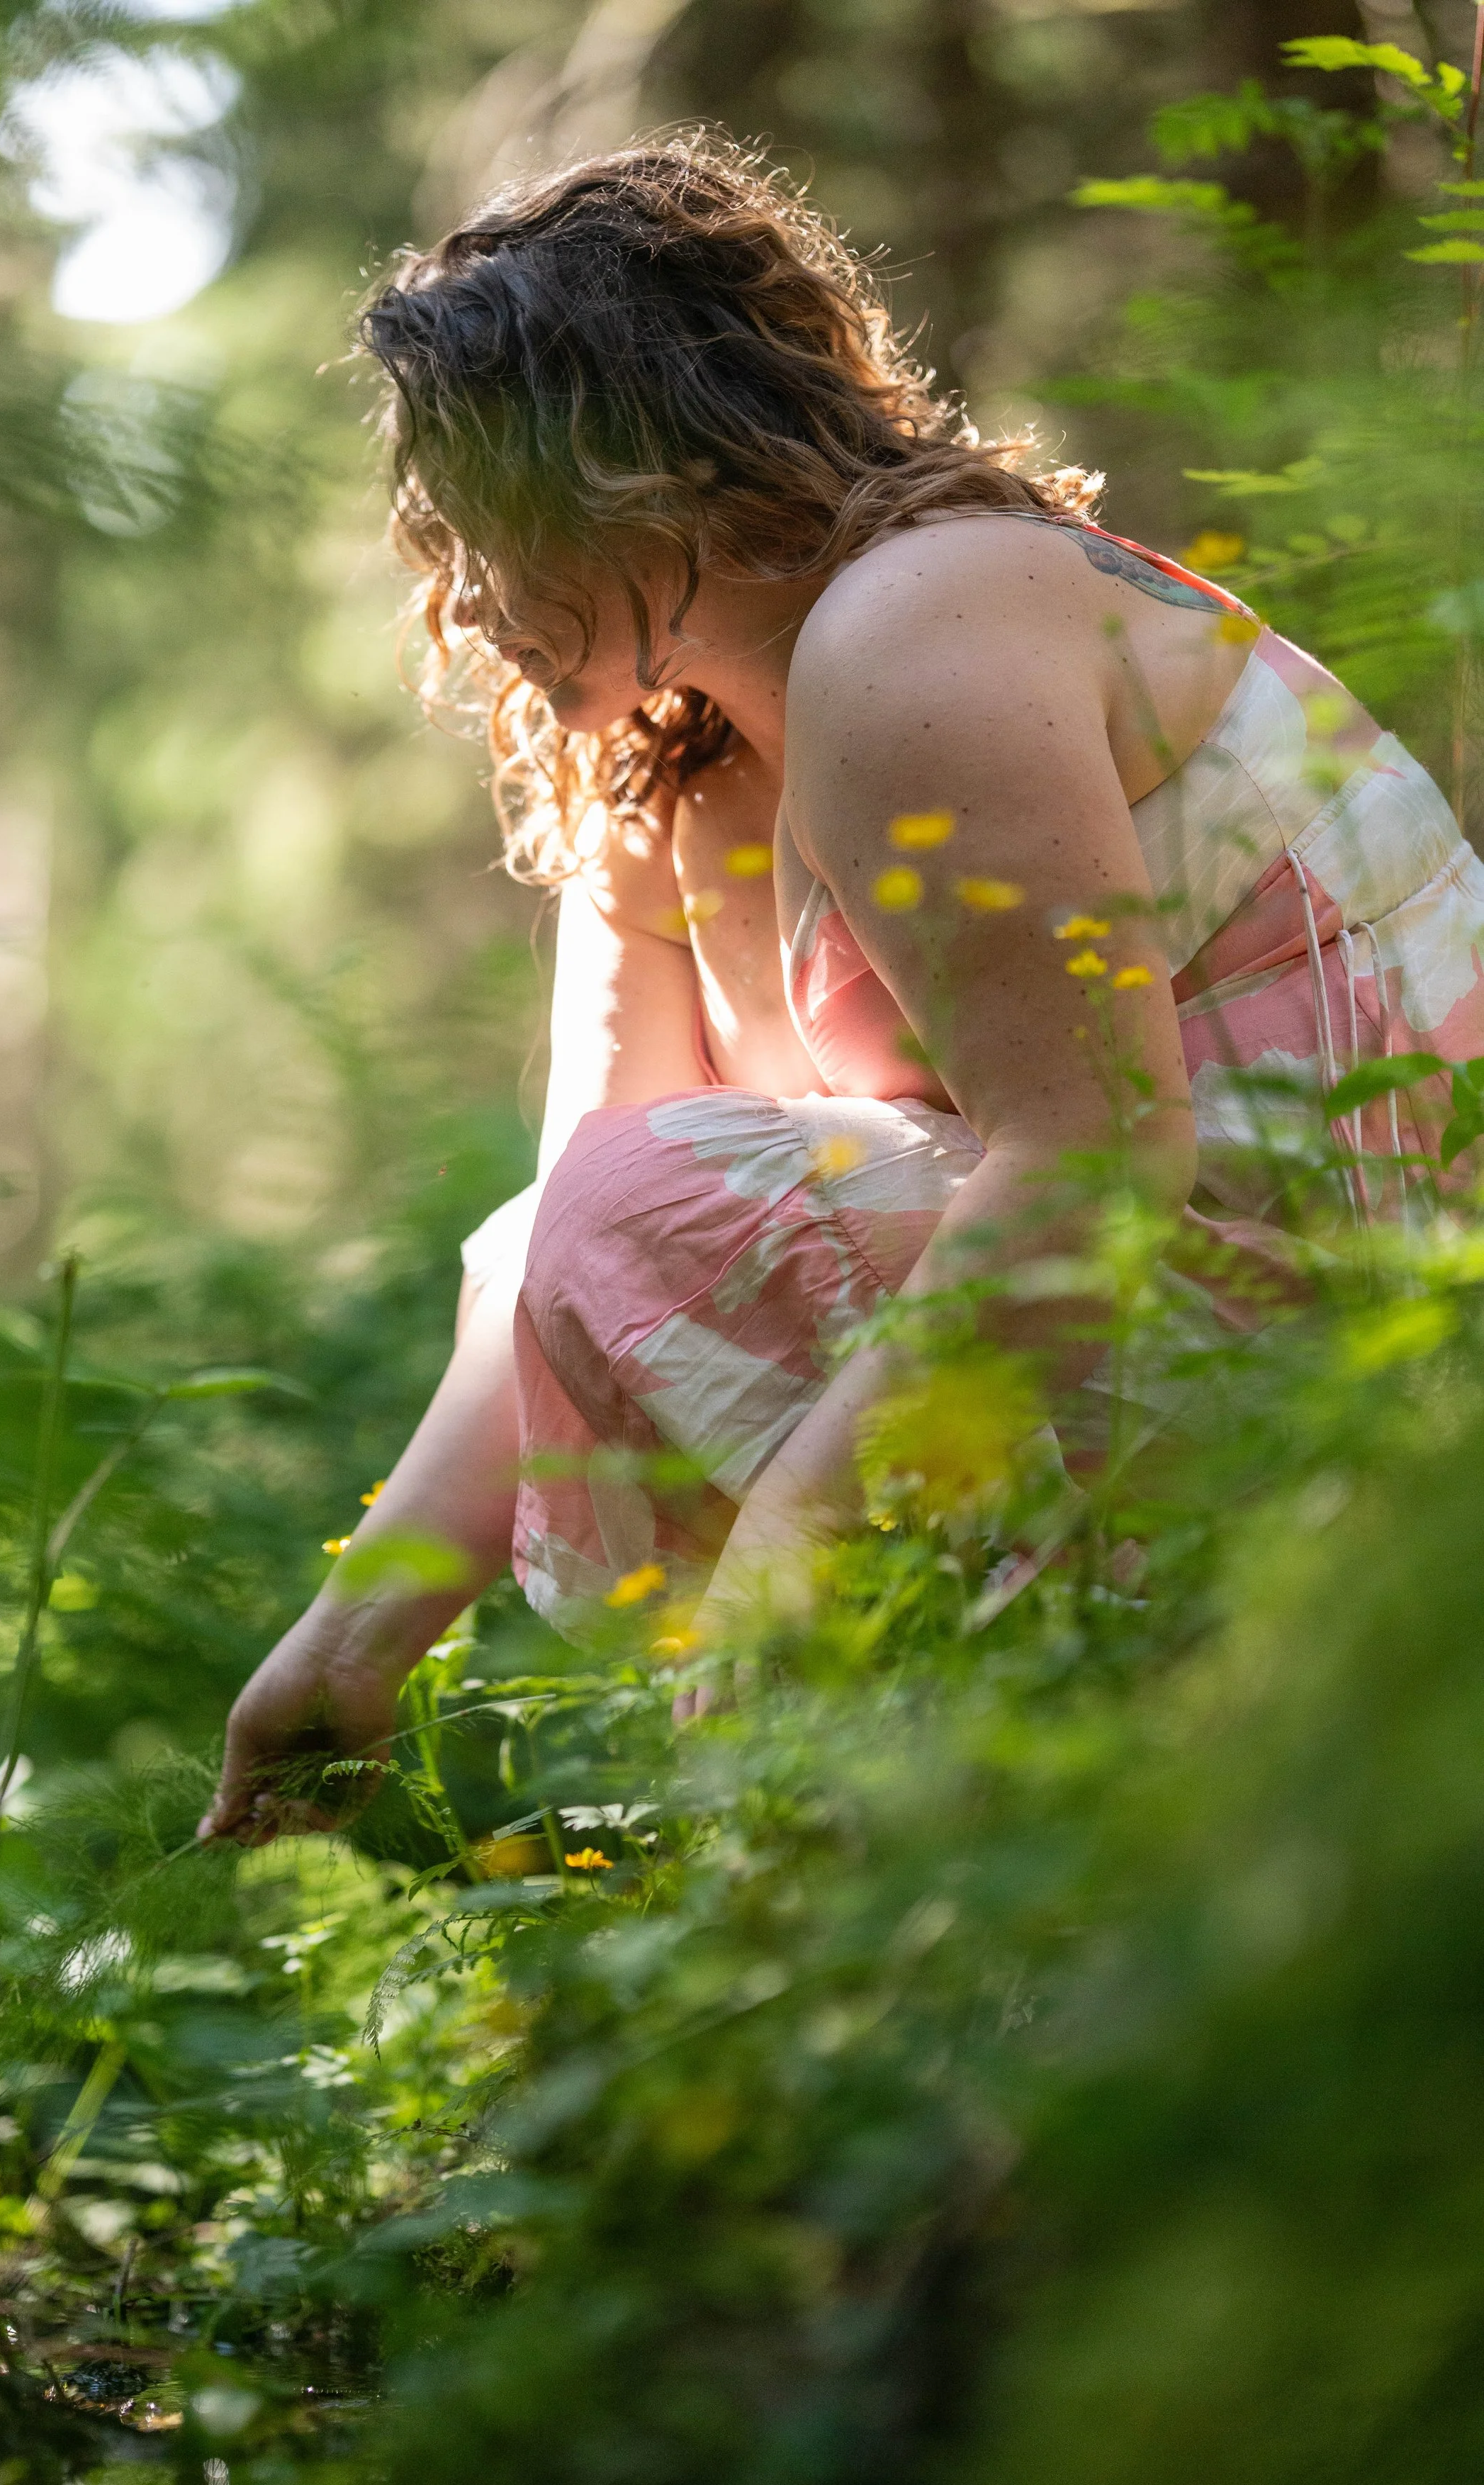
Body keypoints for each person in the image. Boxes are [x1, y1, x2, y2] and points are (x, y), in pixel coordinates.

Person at [200, 135, 1484, 1844]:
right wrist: (343, 1656)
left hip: (1394, 1346)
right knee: (568, 1222)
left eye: (490, 500)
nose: (461, 586)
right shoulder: (670, 771)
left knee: (654, 1204)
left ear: (637, 464)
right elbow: (557, 1256)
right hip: (1175, 1326)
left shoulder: (925, 618)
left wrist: (797, 1557)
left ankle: (1056, 1812)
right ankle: (972, 1849)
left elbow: (1089, 1159)